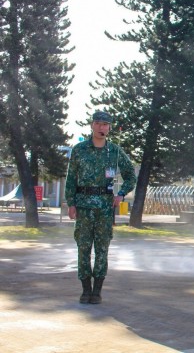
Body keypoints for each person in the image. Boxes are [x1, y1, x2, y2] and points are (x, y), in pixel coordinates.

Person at [65, 111, 137, 304]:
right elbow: (71, 178)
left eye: (105, 124)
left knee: (102, 249)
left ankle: (97, 291)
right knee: (83, 248)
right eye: (98, 123)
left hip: (105, 208)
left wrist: (121, 194)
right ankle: (85, 289)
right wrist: (70, 203)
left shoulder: (114, 152)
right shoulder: (79, 150)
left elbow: (131, 175)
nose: (101, 127)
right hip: (84, 206)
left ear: (109, 128)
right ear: (92, 125)